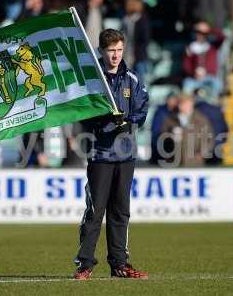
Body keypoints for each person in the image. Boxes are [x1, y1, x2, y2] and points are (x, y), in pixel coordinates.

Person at [73, 29, 148, 280]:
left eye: (119, 50)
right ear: (102, 52)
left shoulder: (133, 79)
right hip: (100, 155)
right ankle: (85, 264)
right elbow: (82, 114)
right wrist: (104, 118)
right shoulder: (93, 81)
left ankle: (119, 264)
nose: (115, 55)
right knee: (95, 212)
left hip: (126, 156)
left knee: (121, 212)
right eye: (110, 51)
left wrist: (128, 121)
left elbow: (142, 109)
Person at [161, 93, 213, 167]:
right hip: (174, 163)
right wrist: (171, 138)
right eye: (182, 104)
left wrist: (201, 155)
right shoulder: (170, 120)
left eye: (188, 103)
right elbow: (163, 138)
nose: (186, 106)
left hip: (195, 163)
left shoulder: (201, 120)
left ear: (192, 104)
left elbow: (209, 139)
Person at [182, 21, 225, 99]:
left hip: (210, 77)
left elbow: (222, 37)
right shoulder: (191, 47)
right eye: (197, 33)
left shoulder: (212, 47)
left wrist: (209, 29)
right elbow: (186, 65)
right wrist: (193, 74)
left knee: (218, 84)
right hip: (194, 78)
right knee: (186, 85)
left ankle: (213, 104)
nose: (199, 35)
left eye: (202, 33)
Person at [194, 89, 228, 165]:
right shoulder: (216, 110)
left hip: (198, 149)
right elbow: (225, 128)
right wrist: (221, 142)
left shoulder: (194, 111)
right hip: (216, 146)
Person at [122, 0, 150, 80]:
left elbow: (145, 39)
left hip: (139, 56)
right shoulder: (126, 20)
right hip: (127, 55)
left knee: (140, 82)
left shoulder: (142, 19)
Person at [149, 90, 178, 165]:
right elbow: (155, 130)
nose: (172, 102)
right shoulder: (160, 112)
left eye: (174, 100)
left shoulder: (177, 111)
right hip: (160, 143)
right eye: (171, 99)